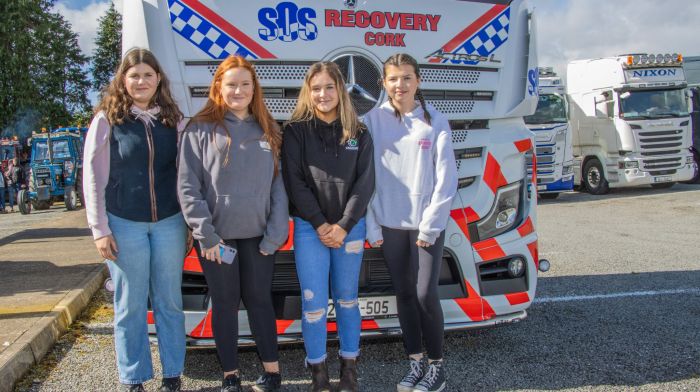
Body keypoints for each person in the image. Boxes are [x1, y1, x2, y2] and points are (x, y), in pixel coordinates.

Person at [177, 55, 289, 392]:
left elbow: (278, 186)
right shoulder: (198, 129)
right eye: (231, 84)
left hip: (258, 239)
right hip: (216, 241)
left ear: (254, 88)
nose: (238, 90)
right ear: (218, 88)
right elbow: (188, 187)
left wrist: (275, 235)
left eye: (245, 84)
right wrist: (206, 236)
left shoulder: (268, 128)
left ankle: (272, 373)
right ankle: (230, 376)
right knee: (224, 304)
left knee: (260, 302)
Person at [82, 48, 188, 392]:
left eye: (147, 74)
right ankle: (134, 377)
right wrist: (99, 229)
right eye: (134, 75)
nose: (141, 81)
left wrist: (187, 222)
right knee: (129, 303)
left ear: (158, 79)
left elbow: (185, 176)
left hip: (170, 223)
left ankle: (173, 374)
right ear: (122, 80)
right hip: (124, 222)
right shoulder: (107, 120)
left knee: (169, 301)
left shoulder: (174, 120)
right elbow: (93, 178)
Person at [364, 53, 458, 392]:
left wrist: (431, 226)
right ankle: (415, 363)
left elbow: (447, 180)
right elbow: (366, 177)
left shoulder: (435, 123)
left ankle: (437, 368)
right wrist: (373, 226)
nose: (400, 85)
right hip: (389, 225)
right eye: (393, 79)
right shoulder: (372, 121)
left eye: (406, 78)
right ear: (384, 83)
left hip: (425, 226)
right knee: (403, 294)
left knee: (423, 294)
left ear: (417, 81)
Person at [281, 61, 374, 392]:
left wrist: (344, 225)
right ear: (308, 91)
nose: (323, 94)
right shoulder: (294, 131)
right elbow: (294, 182)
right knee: (315, 305)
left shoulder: (359, 132)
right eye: (316, 88)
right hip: (310, 229)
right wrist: (321, 224)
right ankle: (318, 374)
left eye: (329, 87)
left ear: (341, 90)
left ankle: (349, 371)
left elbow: (365, 183)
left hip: (350, 229)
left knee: (348, 300)